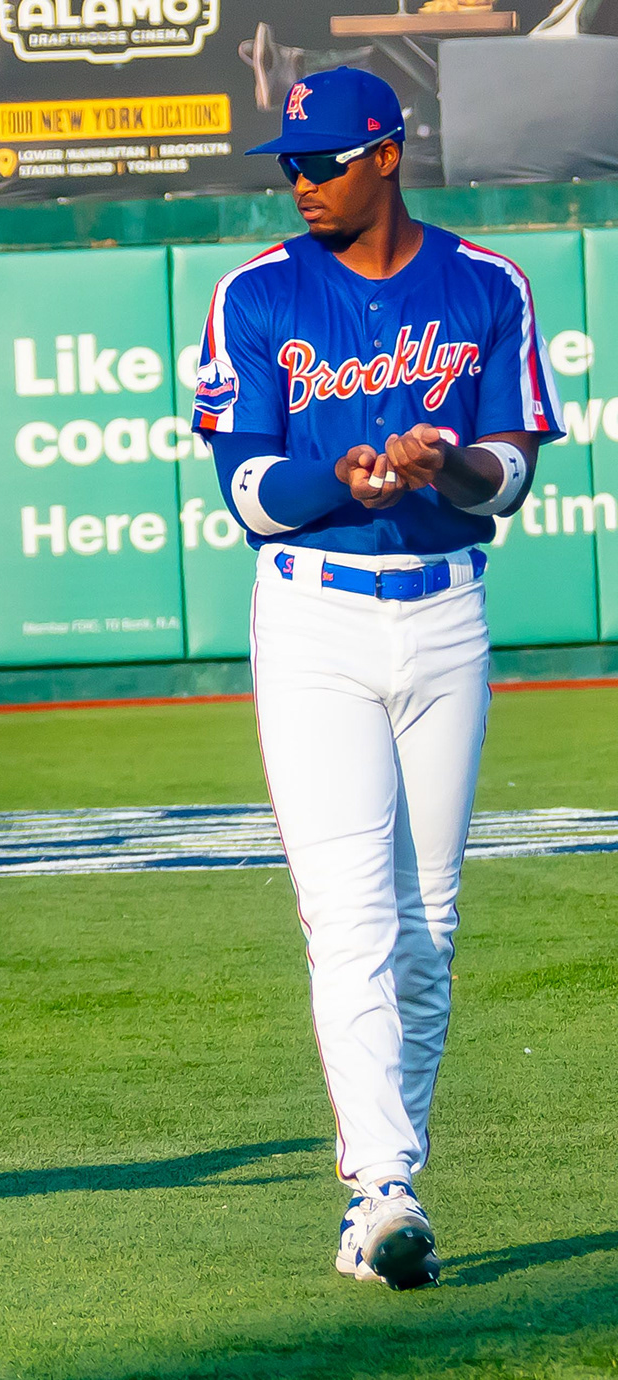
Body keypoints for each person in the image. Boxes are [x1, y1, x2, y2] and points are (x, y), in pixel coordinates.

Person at [192, 68, 560, 1289]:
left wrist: (445, 462)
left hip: (448, 612)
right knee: (350, 918)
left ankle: (393, 1178)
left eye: (322, 161)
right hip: (314, 623)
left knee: (429, 926)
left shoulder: (484, 284)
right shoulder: (257, 294)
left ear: (387, 155)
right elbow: (246, 485)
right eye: (288, 164)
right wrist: (339, 481)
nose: (299, 182)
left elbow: (510, 470)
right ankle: (383, 1190)